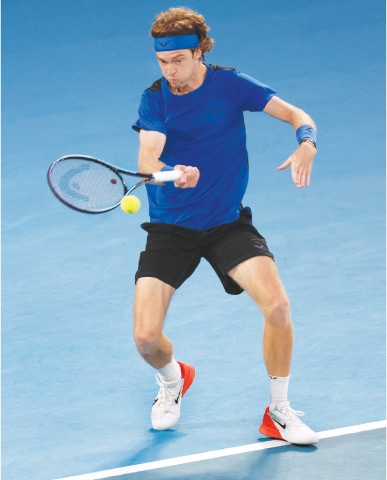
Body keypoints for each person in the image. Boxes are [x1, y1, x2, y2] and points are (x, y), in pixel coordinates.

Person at [132, 7, 318, 445]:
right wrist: (172, 172)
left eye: (178, 59)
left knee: (277, 307)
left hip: (226, 223)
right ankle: (175, 378)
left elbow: (297, 115)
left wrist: (307, 141)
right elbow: (146, 162)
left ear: (199, 52)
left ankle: (278, 412)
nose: (170, 70)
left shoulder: (232, 85)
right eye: (162, 62)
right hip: (172, 227)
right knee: (145, 338)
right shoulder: (154, 98)